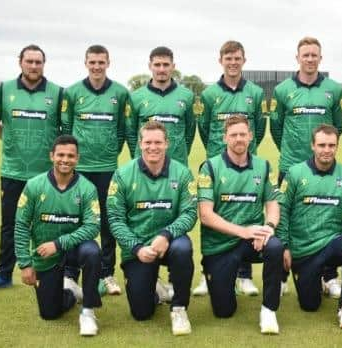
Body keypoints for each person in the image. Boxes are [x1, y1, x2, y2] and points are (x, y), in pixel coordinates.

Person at [0, 44, 63, 291]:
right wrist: (12, 142)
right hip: (14, 171)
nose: (34, 66)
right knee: (10, 225)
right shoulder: (5, 90)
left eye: (38, 62)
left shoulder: (57, 93)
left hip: (46, 174)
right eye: (30, 61)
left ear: (44, 64)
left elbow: (64, 131)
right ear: (21, 63)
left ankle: (49, 274)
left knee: (46, 223)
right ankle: (4, 274)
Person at [270, 36, 342, 297]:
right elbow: (276, 127)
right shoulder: (282, 90)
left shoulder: (333, 90)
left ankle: (329, 276)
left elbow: (337, 126)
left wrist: (321, 150)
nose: (310, 59)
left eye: (314, 55)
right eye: (306, 55)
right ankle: (281, 277)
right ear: (297, 57)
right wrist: (293, 152)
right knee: (283, 218)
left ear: (320, 58)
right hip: (291, 164)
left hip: (324, 165)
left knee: (327, 216)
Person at [107, 121, 197, 336]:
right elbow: (115, 219)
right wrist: (137, 247)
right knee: (141, 312)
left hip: (170, 242)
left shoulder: (182, 173)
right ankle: (154, 287)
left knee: (184, 249)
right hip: (139, 247)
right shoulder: (122, 175)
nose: (152, 147)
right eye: (148, 142)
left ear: (167, 143)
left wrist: (166, 235)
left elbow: (190, 213)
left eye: (158, 142)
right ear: (140, 144)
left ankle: (179, 308)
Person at [197, 115, 283, 334]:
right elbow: (205, 215)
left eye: (242, 134)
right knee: (223, 311)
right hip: (221, 244)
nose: (238, 139)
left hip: (252, 240)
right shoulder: (209, 167)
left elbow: (273, 205)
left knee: (274, 246)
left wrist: (269, 228)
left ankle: (268, 310)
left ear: (250, 136)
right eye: (233, 135)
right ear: (225, 137)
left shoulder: (263, 166)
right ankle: (225, 279)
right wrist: (243, 232)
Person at [195, 40, 266, 296]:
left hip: (247, 164)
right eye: (228, 58)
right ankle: (208, 273)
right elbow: (204, 128)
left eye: (237, 58)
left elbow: (261, 126)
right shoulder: (210, 94)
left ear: (244, 60)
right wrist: (217, 153)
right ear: (220, 60)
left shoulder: (256, 93)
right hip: (216, 165)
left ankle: (245, 275)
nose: (233, 63)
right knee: (210, 216)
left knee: (247, 212)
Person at [277, 124, 342, 329]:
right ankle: (319, 279)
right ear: (313, 146)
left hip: (333, 243)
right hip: (304, 250)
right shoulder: (295, 173)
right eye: (322, 145)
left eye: (331, 145)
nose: (327, 150)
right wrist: (285, 245)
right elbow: (282, 210)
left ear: (337, 147)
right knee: (309, 305)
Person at [14, 135, 102, 336]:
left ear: (77, 159)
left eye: (70, 155)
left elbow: (93, 227)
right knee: (50, 313)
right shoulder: (34, 186)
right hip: (47, 256)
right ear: (51, 156)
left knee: (92, 251)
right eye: (60, 154)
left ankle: (88, 312)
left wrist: (59, 243)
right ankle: (70, 291)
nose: (65, 159)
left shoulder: (87, 188)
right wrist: (25, 264)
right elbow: (20, 225)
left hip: (74, 251)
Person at [61, 45, 129, 296]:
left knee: (108, 222)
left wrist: (111, 151)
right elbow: (67, 130)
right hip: (79, 170)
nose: (97, 66)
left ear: (108, 63)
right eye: (93, 62)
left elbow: (123, 130)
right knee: (74, 219)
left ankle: (107, 274)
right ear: (85, 63)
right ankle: (70, 274)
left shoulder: (120, 93)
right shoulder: (73, 92)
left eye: (101, 62)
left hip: (107, 168)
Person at [126, 46, 196, 166]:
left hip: (177, 164)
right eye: (157, 65)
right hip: (145, 165)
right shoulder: (136, 97)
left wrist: (180, 153)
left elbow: (190, 131)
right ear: (150, 66)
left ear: (173, 66)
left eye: (166, 64)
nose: (161, 69)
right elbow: (131, 132)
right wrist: (139, 155)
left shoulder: (187, 96)